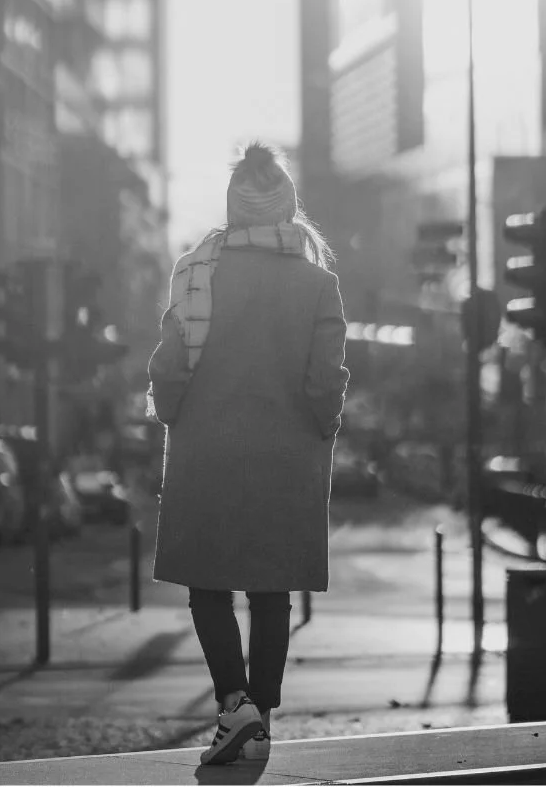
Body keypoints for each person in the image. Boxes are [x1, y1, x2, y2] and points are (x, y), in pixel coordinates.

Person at [147, 142, 349, 765]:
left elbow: (170, 371)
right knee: (271, 587)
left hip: (207, 452)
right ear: (288, 209)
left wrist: (171, 409)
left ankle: (236, 705)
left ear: (234, 209)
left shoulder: (195, 271)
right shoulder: (319, 285)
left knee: (208, 585)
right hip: (286, 458)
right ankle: (257, 715)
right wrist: (321, 429)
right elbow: (325, 382)